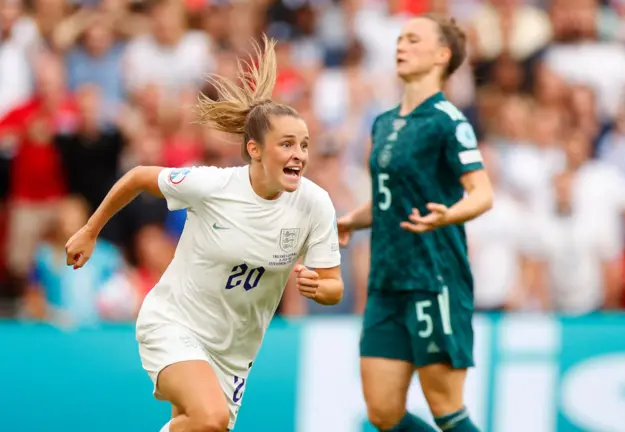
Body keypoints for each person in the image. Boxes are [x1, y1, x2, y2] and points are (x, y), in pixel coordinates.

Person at [64, 36, 344, 432]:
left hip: (234, 354)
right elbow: (140, 177)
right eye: (286, 144)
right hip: (175, 322)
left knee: (198, 424)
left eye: (304, 144)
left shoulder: (315, 205)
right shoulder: (213, 186)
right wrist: (90, 231)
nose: (299, 153)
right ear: (255, 149)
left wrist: (320, 287)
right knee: (209, 418)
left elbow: (335, 287)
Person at [338, 14, 493, 432]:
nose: (400, 46)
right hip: (386, 282)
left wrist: (449, 213)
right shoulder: (384, 122)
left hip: (433, 277)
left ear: (442, 55)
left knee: (447, 411)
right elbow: (389, 200)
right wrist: (351, 220)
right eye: (399, 38)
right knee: (382, 412)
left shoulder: (448, 120)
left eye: (413, 39)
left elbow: (482, 192)